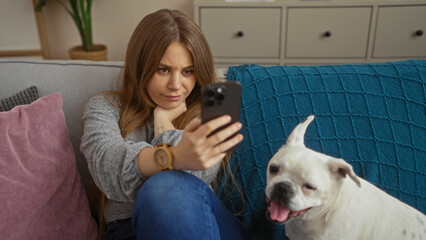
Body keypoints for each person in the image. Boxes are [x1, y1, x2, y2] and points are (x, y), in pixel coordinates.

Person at [80, 9, 250, 240]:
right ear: (140, 66)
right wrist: (173, 153)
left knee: (168, 186)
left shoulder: (209, 107)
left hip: (202, 222)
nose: (176, 85)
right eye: (163, 69)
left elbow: (196, 174)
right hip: (126, 230)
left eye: (188, 71)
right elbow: (107, 169)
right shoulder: (105, 106)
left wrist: (163, 126)